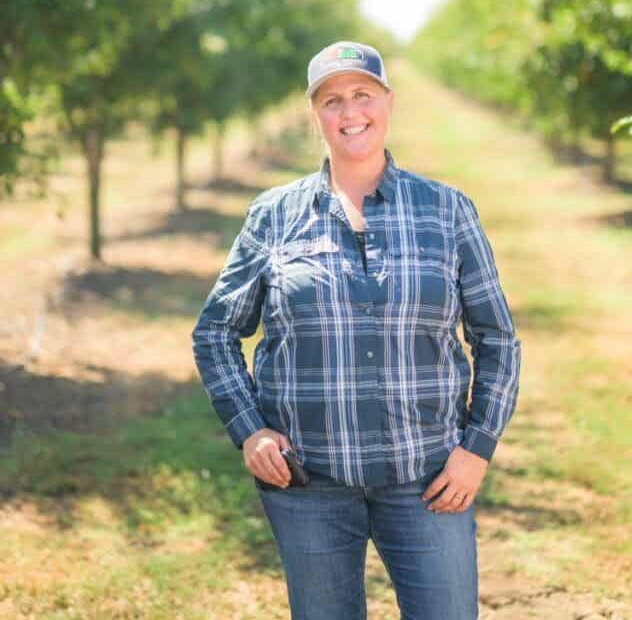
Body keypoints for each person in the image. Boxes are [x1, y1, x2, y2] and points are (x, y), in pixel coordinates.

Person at [191, 39, 521, 620]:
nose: (350, 113)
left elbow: (496, 339)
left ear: (388, 102)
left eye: (362, 95)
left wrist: (476, 448)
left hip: (429, 478)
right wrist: (250, 431)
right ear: (313, 113)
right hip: (308, 483)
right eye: (332, 100)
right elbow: (215, 333)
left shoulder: (447, 211)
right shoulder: (274, 215)